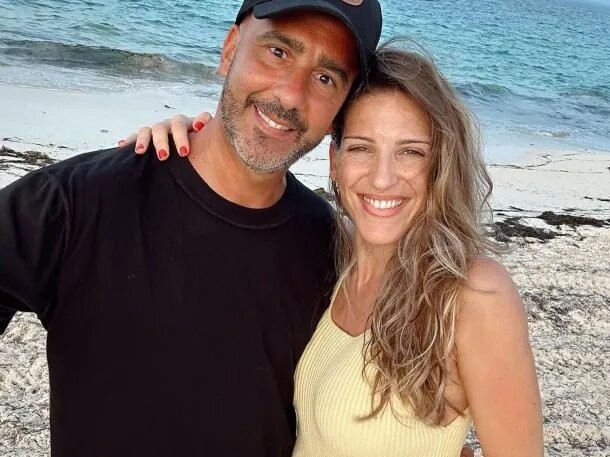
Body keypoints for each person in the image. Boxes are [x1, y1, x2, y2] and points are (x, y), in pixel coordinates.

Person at [0, 1, 382, 456]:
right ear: (230, 49)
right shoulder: (79, 202)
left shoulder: (334, 251)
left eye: (325, 78)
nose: (290, 96)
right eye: (278, 52)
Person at [128, 41, 544, 456]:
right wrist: (195, 144)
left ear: (441, 165)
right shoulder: (329, 254)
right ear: (335, 161)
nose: (382, 179)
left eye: (410, 153)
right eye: (362, 148)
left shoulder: (472, 293)